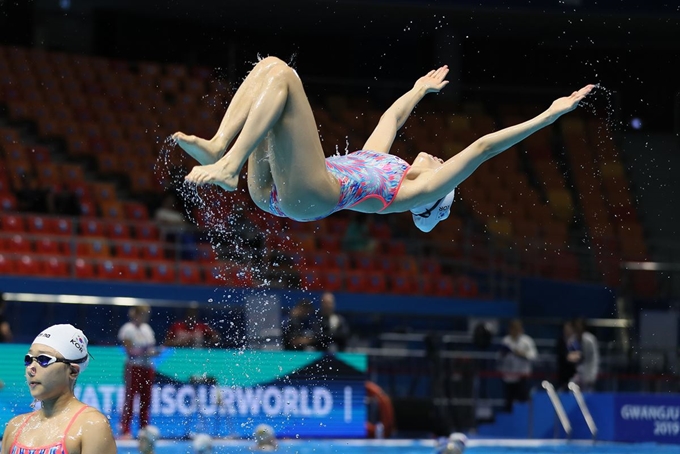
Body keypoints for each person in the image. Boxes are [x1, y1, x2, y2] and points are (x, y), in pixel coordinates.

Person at [173, 56, 594, 232]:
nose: (439, 158)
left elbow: (483, 147)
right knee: (270, 66)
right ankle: (220, 146)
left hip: (310, 197)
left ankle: (229, 165)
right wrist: (418, 89)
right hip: (277, 193)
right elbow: (391, 118)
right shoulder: (381, 162)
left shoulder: (414, 192)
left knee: (285, 78)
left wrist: (548, 116)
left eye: (442, 165)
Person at [1, 324, 117, 454]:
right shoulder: (15, 428)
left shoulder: (91, 426)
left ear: (73, 371)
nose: (31, 368)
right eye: (28, 359)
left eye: (44, 359)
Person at [118, 304, 159, 439]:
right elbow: (129, 351)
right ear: (135, 314)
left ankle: (144, 429)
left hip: (147, 368)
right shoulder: (127, 329)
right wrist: (145, 352)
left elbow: (151, 349)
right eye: (143, 314)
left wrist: (153, 352)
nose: (145, 317)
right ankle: (125, 430)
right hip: (134, 367)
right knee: (130, 399)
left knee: (146, 399)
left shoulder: (147, 329)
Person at [498, 319, 537, 412]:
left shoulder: (527, 341)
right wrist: (503, 354)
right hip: (508, 376)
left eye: (517, 328)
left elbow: (534, 356)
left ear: (521, 329)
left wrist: (522, 354)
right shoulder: (505, 341)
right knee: (508, 402)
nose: (515, 331)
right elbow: (498, 357)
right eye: (513, 328)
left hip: (522, 376)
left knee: (523, 400)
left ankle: (523, 420)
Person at [567, 317, 599, 391]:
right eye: (576, 327)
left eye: (579, 326)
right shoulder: (572, 340)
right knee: (572, 390)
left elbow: (594, 359)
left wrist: (592, 375)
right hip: (576, 374)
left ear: (583, 327)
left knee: (587, 395)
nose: (578, 329)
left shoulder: (590, 340)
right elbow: (569, 356)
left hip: (588, 373)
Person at [554, 320, 577, 391]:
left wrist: (572, 356)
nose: (567, 330)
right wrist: (570, 357)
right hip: (563, 371)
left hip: (575, 372)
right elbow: (563, 355)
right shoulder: (561, 341)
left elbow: (580, 355)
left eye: (569, 328)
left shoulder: (576, 341)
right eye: (565, 329)